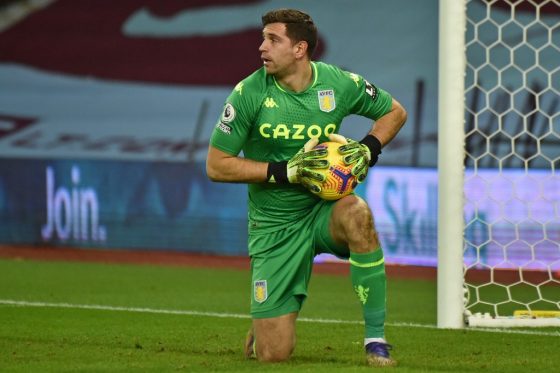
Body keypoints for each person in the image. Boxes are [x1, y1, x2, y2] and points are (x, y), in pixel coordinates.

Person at [206, 8, 407, 367]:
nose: (261, 47)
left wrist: (367, 149)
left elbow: (394, 112)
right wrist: (284, 172)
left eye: (273, 39)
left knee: (358, 213)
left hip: (322, 211)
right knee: (273, 354)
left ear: (300, 49)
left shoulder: (339, 84)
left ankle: (376, 339)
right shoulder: (248, 93)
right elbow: (217, 166)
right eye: (263, 38)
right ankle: (263, 327)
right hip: (275, 227)